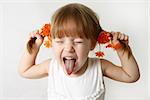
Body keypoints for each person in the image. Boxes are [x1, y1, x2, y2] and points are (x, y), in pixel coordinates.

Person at [18, 3, 140, 100]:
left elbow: (131, 76)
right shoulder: (51, 67)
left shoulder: (99, 66)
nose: (68, 48)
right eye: (60, 41)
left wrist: (122, 49)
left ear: (92, 44)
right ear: (51, 41)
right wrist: (33, 48)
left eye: (78, 41)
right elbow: (25, 71)